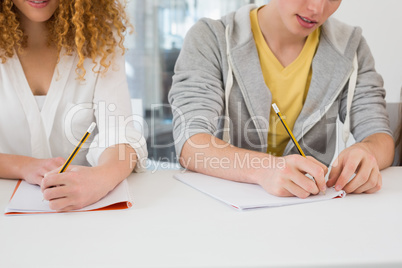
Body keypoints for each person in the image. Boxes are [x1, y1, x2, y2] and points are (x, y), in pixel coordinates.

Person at [169, 0, 394, 198]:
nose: (317, 8)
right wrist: (264, 169)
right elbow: (190, 142)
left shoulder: (352, 48)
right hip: (226, 210)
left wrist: (367, 152)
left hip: (310, 210)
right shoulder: (211, 38)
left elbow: (379, 136)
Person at [0, 0, 147, 211]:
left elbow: (119, 132)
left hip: (81, 216)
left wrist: (101, 178)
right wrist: (21, 165)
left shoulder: (99, 33)